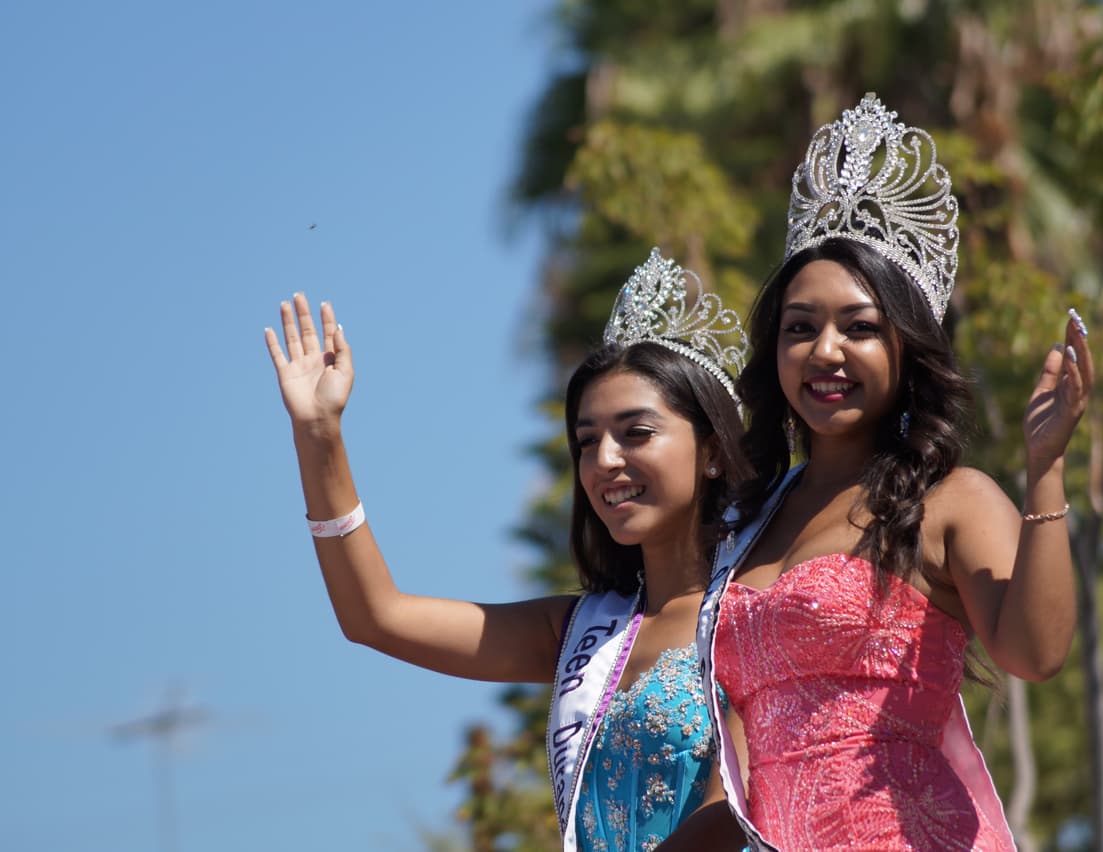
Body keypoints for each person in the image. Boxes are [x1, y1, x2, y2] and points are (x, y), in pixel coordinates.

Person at [696, 93, 1094, 850]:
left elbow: (1036, 654)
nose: (826, 352)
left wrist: (1047, 471)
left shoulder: (951, 501)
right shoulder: (743, 525)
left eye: (861, 327)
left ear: (908, 348)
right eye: (801, 328)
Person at [264, 249, 750, 851]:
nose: (605, 461)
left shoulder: (765, 613)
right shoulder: (579, 631)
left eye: (637, 433)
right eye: (586, 441)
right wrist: (319, 437)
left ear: (712, 451)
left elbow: (732, 813)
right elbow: (374, 616)